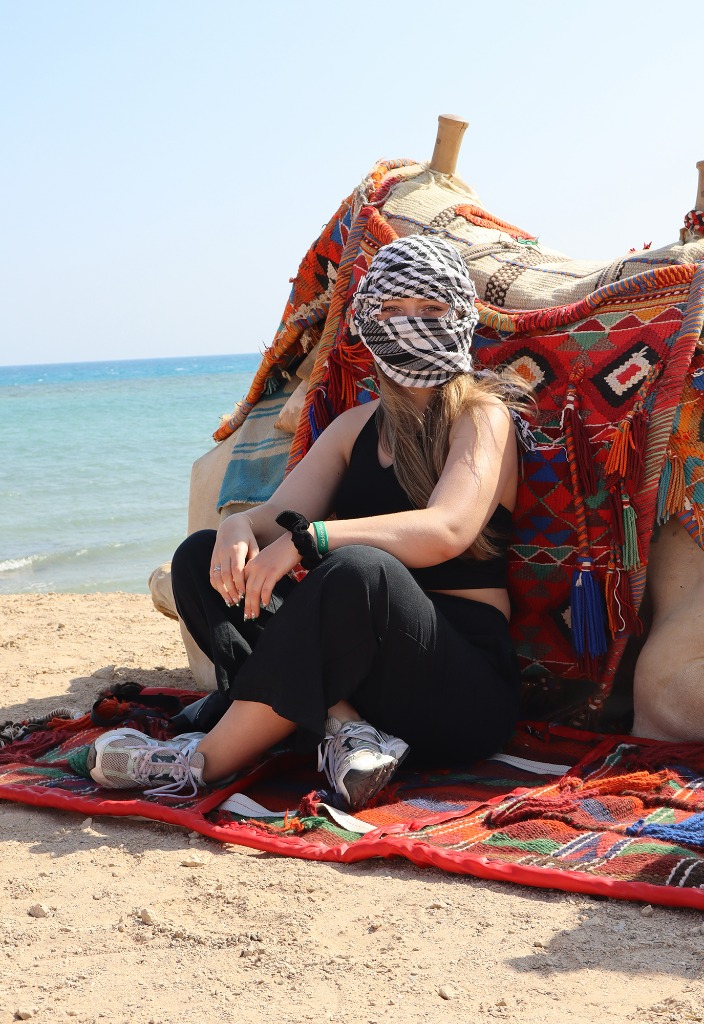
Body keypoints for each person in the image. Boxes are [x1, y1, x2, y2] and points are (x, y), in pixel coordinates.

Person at [87, 235, 529, 809]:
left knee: (357, 570)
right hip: (364, 686)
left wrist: (312, 540)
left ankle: (199, 761)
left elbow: (446, 529)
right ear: (369, 321)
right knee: (199, 558)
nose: (410, 325)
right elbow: (275, 518)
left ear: (460, 315)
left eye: (431, 309)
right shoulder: (354, 427)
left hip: (457, 688)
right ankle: (343, 731)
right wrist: (238, 528)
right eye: (392, 310)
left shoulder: (483, 415)